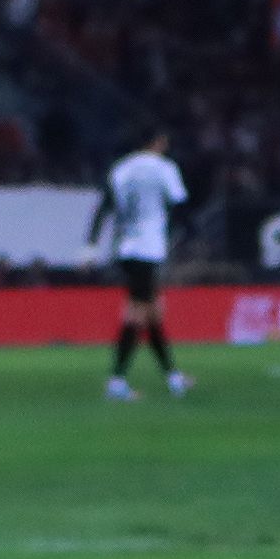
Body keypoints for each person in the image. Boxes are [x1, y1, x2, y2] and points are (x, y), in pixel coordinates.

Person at [92, 127, 191, 400]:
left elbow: (105, 206)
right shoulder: (163, 168)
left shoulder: (121, 169)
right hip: (149, 248)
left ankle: (173, 377)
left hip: (125, 247)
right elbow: (180, 204)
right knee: (139, 312)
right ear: (157, 142)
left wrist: (90, 244)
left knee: (150, 312)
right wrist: (191, 235)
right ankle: (117, 381)